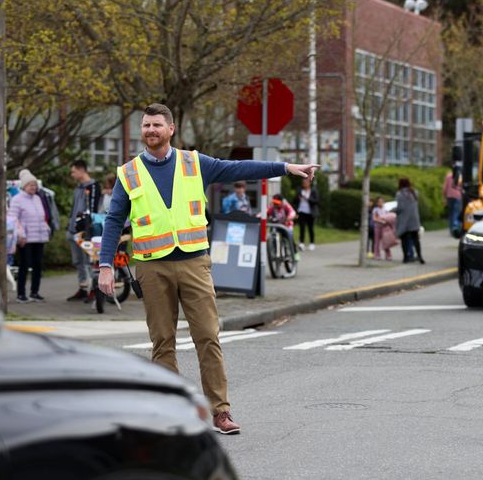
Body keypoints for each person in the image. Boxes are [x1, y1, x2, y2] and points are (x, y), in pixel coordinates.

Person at [97, 103, 318, 436]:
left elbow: (240, 168)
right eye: (145, 125)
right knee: (162, 342)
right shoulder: (128, 173)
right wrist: (104, 265)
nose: (150, 130)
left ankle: (220, 411)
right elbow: (114, 220)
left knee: (207, 337)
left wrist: (286, 167)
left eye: (157, 124)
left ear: (171, 129)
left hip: (193, 262)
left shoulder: (194, 162)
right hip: (151, 266)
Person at [7, 169, 51, 303]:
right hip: (25, 239)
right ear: (24, 186)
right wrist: (20, 235)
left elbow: (42, 217)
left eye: (34, 185)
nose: (33, 187)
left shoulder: (38, 198)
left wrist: (47, 230)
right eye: (30, 185)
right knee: (24, 266)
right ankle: (21, 294)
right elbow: (13, 219)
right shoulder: (16, 200)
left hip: (39, 237)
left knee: (38, 265)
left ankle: (34, 292)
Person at [66, 159, 101, 302]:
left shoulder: (93, 187)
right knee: (77, 261)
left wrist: (88, 229)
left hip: (86, 232)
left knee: (88, 261)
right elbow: (74, 208)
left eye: (74, 171)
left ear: (82, 170)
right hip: (73, 230)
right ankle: (82, 288)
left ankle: (94, 290)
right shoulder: (78, 188)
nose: (72, 174)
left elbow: (92, 210)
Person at [394, 177, 424, 264]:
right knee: (416, 239)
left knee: (404, 239)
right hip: (414, 219)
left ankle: (405, 257)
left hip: (404, 220)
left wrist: (393, 210)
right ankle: (420, 256)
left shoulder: (399, 194)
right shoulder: (414, 192)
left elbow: (400, 208)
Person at [293, 177, 319, 251]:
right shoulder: (299, 190)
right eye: (303, 182)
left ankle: (312, 243)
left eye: (305, 182)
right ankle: (301, 243)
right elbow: (294, 200)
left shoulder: (313, 190)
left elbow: (316, 201)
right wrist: (298, 197)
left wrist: (307, 198)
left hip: (310, 212)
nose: (304, 184)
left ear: (309, 183)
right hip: (301, 211)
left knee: (310, 228)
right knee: (302, 228)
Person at [442, 170, 462, 237]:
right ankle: (455, 229)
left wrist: (444, 196)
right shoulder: (460, 176)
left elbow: (445, 187)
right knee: (456, 213)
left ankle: (451, 230)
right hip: (458, 196)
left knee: (451, 214)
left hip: (449, 196)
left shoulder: (448, 176)